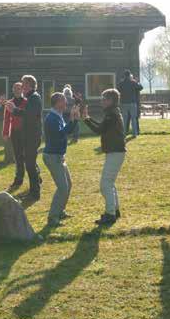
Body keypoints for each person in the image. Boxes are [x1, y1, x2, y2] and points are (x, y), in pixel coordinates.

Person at [82, 88, 126, 225]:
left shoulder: (111, 114)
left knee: (105, 184)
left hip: (115, 152)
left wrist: (86, 119)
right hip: (115, 151)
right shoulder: (111, 113)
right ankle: (115, 211)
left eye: (104, 99)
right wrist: (87, 118)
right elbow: (102, 127)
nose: (102, 101)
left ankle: (110, 214)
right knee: (109, 183)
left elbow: (99, 130)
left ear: (111, 100)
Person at [42, 92, 81, 227]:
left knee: (68, 185)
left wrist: (74, 120)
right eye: (64, 101)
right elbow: (61, 134)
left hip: (58, 156)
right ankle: (52, 217)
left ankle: (60, 211)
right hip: (53, 157)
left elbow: (65, 131)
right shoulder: (52, 118)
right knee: (63, 188)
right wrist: (73, 120)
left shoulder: (57, 115)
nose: (66, 103)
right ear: (57, 103)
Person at [6, 75, 44, 200]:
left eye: (24, 84)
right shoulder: (31, 97)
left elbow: (30, 115)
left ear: (29, 85)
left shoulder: (34, 98)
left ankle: (35, 193)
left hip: (32, 136)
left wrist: (15, 110)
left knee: (30, 165)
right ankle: (34, 190)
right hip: (29, 135)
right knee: (29, 164)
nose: (22, 86)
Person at [3, 82, 27, 191]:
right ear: (13, 90)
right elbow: (7, 119)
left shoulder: (27, 102)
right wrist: (5, 133)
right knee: (18, 157)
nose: (17, 90)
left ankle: (36, 176)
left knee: (28, 156)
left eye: (19, 88)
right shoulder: (9, 103)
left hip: (25, 132)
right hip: (15, 132)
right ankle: (18, 179)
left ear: (23, 90)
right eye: (15, 88)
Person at [117, 70, 143, 137]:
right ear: (129, 75)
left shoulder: (121, 83)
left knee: (124, 119)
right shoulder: (133, 82)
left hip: (123, 103)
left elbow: (117, 90)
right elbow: (140, 88)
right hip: (132, 103)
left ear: (124, 76)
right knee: (133, 119)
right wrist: (137, 81)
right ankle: (134, 133)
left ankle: (124, 133)